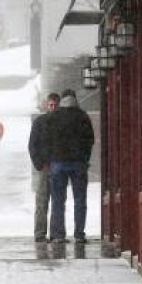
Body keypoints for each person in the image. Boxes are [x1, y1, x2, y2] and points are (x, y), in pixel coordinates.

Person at [45, 89, 94, 244]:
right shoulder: (83, 116)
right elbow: (89, 140)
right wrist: (85, 158)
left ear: (62, 100)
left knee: (58, 200)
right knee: (80, 199)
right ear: (75, 98)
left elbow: (47, 139)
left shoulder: (54, 117)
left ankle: (59, 235)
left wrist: (51, 158)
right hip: (78, 163)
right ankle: (79, 234)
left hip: (58, 163)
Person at [28, 92, 60, 243]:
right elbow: (32, 145)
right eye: (50, 104)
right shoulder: (40, 122)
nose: (52, 107)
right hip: (47, 167)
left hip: (58, 167)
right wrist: (40, 164)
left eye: (55, 104)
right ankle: (40, 233)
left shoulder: (61, 122)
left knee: (56, 202)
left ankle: (54, 234)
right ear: (46, 105)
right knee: (43, 201)